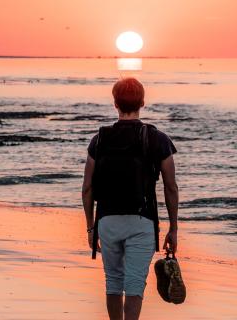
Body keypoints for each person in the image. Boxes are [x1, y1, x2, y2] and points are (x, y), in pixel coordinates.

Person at [82, 77, 179, 320]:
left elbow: (87, 188)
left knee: (113, 281)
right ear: (143, 102)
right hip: (142, 221)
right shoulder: (158, 139)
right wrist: (173, 228)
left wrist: (91, 227)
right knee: (135, 284)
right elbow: (170, 187)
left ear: (115, 104)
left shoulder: (99, 139)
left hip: (107, 220)